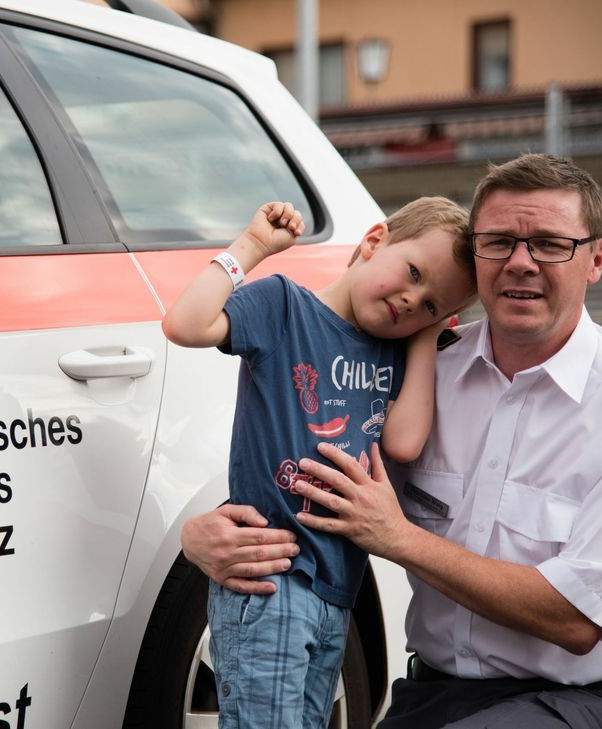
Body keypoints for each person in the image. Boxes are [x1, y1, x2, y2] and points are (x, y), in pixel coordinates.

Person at [180, 154, 602, 729]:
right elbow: (314, 465)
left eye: (550, 245)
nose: (520, 263)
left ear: (596, 259)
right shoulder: (418, 372)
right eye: (498, 242)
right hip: (431, 693)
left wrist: (399, 538)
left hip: (579, 703)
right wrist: (206, 534)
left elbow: (578, 621)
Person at [163, 197, 476, 728]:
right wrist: (251, 247)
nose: (411, 300)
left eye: (430, 305)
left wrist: (426, 333)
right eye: (413, 273)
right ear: (373, 241)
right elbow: (184, 325)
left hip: (337, 591)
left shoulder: (393, 351)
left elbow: (404, 443)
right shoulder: (284, 306)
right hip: (271, 579)